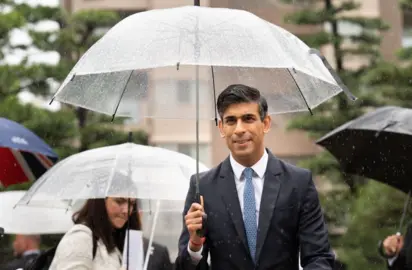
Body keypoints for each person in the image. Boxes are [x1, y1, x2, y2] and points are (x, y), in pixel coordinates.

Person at [175, 84, 334, 270]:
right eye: (231, 121)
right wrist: (195, 245)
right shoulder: (202, 187)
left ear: (265, 123)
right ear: (221, 128)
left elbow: (319, 257)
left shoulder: (298, 182)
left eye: (248, 119)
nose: (239, 129)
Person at [48, 197, 141, 270]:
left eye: (131, 203)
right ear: (101, 201)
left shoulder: (115, 240)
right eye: (119, 201)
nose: (126, 210)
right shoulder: (80, 237)